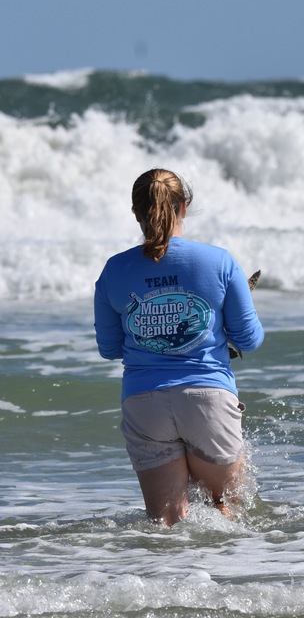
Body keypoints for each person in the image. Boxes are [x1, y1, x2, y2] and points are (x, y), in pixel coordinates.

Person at [94, 168, 264, 526]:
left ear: (136, 212)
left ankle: (165, 582)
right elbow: (249, 339)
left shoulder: (114, 270)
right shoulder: (219, 262)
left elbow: (110, 348)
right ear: (184, 207)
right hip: (208, 398)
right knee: (227, 510)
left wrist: (156, 332)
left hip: (145, 403)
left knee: (167, 524)